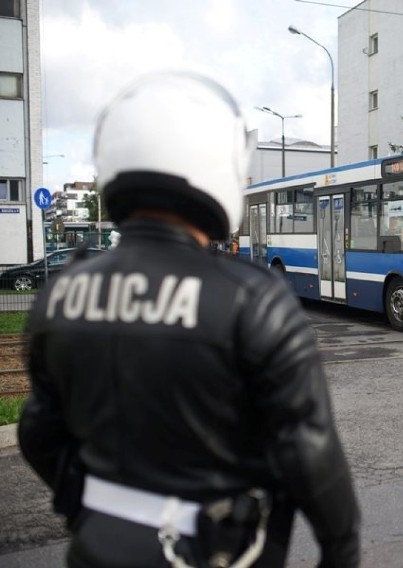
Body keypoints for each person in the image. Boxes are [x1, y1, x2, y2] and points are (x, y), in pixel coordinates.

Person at [17, 71, 360, 568]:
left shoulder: (61, 293)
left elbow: (37, 433)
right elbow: (309, 450)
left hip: (93, 551)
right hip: (213, 553)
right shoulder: (253, 299)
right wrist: (341, 551)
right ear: (218, 168)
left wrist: (90, 509)